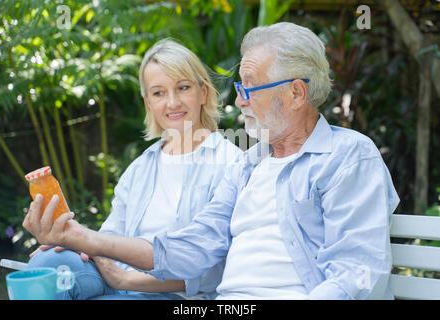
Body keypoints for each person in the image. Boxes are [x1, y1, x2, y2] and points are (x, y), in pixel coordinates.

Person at [23, 22, 400, 300]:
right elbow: (190, 248)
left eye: (248, 88)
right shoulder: (248, 166)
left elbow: (357, 274)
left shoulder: (348, 156)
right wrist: (80, 238)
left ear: (296, 92)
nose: (239, 102)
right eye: (239, 89)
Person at [26, 39, 242, 300]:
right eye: (159, 93)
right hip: (117, 280)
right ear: (148, 101)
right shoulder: (141, 168)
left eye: (183, 88)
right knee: (46, 266)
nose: (172, 102)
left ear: (203, 93)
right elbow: (109, 239)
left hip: (173, 295)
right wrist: (71, 241)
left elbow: (212, 270)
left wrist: (125, 278)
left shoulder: (230, 163)